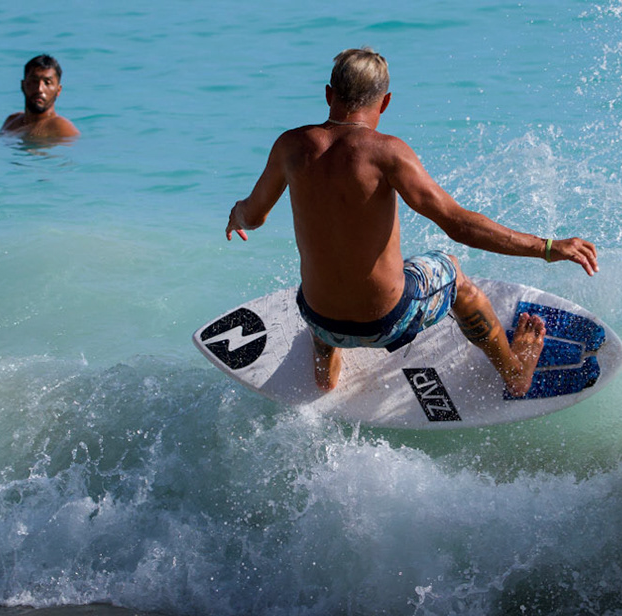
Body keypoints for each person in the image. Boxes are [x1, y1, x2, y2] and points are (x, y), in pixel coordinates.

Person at [226, 47, 599, 395]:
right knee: (451, 271)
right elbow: (458, 224)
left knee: (323, 288)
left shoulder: (290, 146)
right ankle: (515, 373)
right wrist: (547, 248)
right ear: (385, 103)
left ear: (329, 94)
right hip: (388, 322)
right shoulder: (387, 153)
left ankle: (326, 370)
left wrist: (236, 215)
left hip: (320, 317)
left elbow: (254, 215)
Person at [0, 54, 80, 141]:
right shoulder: (12, 121)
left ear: (58, 90)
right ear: (23, 86)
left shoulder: (61, 129)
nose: (39, 89)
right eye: (34, 81)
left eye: (47, 82)